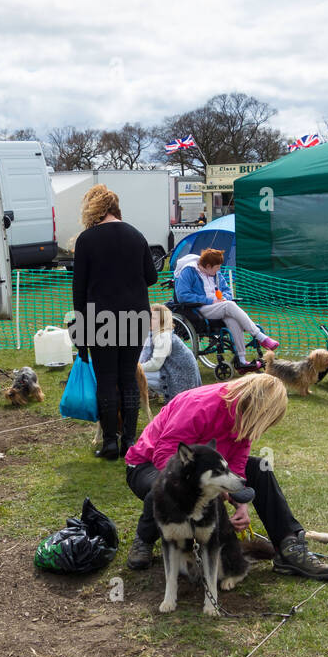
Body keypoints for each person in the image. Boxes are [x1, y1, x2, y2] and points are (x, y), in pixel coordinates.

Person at [124, 373, 328, 580]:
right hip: (147, 464)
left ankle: (288, 544)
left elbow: (238, 464)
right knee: (171, 486)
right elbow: (165, 454)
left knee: (261, 467)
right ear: (256, 407)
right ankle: (144, 539)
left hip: (205, 466)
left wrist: (241, 502)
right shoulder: (200, 405)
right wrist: (208, 488)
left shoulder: (244, 418)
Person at [70, 184, 158, 459]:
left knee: (106, 379)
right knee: (128, 378)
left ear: (94, 209)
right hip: (135, 315)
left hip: (101, 318)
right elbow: (152, 276)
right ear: (115, 208)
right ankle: (129, 441)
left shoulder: (86, 240)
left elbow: (79, 290)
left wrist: (81, 333)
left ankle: (109, 442)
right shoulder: (136, 235)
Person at [174, 247, 278, 373]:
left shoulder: (215, 274)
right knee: (229, 306)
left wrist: (224, 298)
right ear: (207, 266)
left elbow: (227, 290)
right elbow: (182, 296)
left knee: (232, 319)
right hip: (198, 309)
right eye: (217, 267)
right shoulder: (189, 271)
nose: (219, 270)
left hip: (219, 307)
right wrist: (210, 301)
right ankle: (260, 336)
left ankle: (241, 360)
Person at [139, 302, 200, 404]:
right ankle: (152, 393)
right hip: (181, 376)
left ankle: (149, 394)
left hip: (181, 380)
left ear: (163, 321)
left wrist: (137, 367)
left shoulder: (162, 336)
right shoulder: (159, 333)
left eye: (153, 318)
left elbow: (155, 365)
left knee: (136, 373)